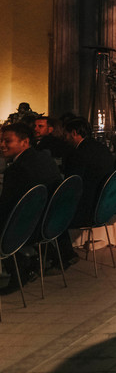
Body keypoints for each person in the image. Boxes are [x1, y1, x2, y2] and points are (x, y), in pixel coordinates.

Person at [0, 123, 64, 288]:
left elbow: (6, 207)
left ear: (25, 142)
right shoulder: (45, 158)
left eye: (7, 141)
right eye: (1, 140)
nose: (2, 145)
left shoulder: (16, 169)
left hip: (28, 227)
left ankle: (19, 267)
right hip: (51, 221)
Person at [63, 118, 114, 226]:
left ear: (74, 133)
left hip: (88, 204)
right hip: (107, 200)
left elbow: (72, 182)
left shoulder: (78, 154)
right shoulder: (102, 148)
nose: (65, 139)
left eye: (66, 135)